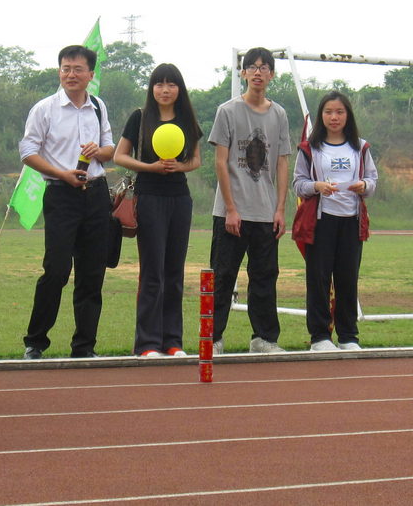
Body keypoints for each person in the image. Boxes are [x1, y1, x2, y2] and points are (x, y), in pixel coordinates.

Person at [19, 45, 114, 359]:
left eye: (77, 69)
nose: (70, 74)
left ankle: (84, 347)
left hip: (97, 194)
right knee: (57, 270)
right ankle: (35, 342)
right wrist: (62, 174)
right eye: (65, 68)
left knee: (92, 273)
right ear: (59, 71)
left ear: (90, 74)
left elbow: (109, 148)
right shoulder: (45, 109)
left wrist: (98, 152)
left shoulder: (98, 106)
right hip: (61, 194)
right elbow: (28, 152)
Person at [113, 64, 202, 358]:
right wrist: (149, 167)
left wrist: (180, 166)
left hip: (180, 197)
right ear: (152, 88)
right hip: (149, 196)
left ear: (180, 89)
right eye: (159, 84)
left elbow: (197, 160)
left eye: (171, 84)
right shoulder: (140, 117)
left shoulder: (186, 118)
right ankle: (147, 344)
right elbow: (120, 156)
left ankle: (172, 341)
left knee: (175, 273)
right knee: (153, 273)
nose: (165, 90)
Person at [209, 47, 291, 354]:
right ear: (243, 73)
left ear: (271, 74)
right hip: (231, 211)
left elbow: (282, 163)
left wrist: (280, 209)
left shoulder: (279, 114)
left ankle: (264, 338)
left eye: (264, 67)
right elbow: (221, 162)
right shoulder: (227, 111)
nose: (258, 72)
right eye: (252, 67)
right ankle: (214, 338)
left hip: (266, 212)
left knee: (265, 277)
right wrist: (231, 208)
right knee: (223, 274)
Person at [293, 90, 377, 351]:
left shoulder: (360, 147)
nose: (334, 117)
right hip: (321, 222)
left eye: (340, 112)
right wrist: (317, 185)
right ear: (321, 116)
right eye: (328, 112)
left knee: (347, 279)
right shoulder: (310, 148)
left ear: (347, 116)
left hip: (351, 222)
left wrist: (364, 185)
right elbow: (298, 184)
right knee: (318, 280)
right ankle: (319, 337)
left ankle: (349, 336)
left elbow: (373, 181)